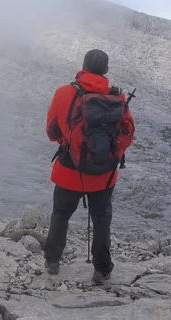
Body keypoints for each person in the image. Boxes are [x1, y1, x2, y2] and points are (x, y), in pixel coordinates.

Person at [43, 49, 135, 284]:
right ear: (105, 70)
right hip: (104, 176)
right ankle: (102, 270)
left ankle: (53, 262)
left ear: (83, 66)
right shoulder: (118, 97)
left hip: (68, 171)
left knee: (61, 215)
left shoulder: (64, 93)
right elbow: (128, 132)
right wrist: (110, 155)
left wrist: (71, 144)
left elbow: (52, 131)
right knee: (102, 220)